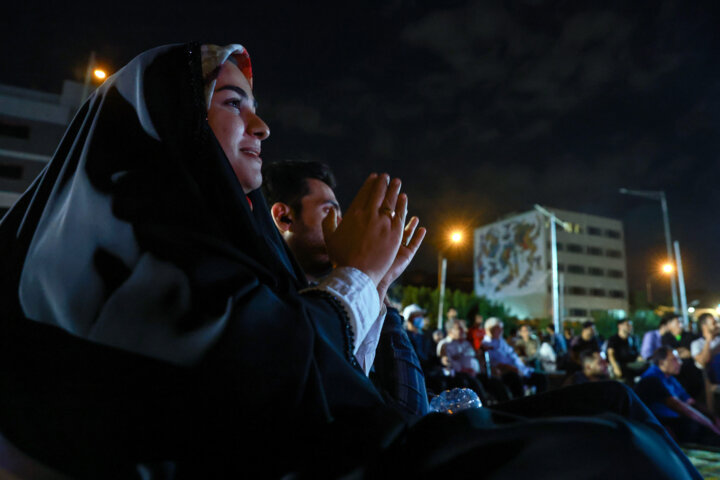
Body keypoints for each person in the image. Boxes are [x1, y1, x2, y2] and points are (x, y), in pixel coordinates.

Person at [0, 43, 702, 480]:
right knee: (615, 449)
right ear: (169, 118)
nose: (262, 126)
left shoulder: (208, 247)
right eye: (234, 102)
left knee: (613, 421)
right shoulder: (121, 264)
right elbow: (265, 384)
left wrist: (373, 286)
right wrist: (359, 278)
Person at [262, 159, 429, 417]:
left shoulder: (322, 296)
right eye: (329, 212)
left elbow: (409, 413)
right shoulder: (266, 296)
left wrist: (380, 283)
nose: (341, 224)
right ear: (285, 217)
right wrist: (362, 272)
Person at [636, 347, 720, 446]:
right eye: (675, 360)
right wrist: (709, 424)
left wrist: (713, 418)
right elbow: (679, 406)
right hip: (657, 424)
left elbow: (690, 402)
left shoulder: (670, 378)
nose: (680, 363)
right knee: (696, 427)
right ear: (662, 363)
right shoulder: (651, 379)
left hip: (673, 419)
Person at [483, 318, 548, 397]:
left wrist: (520, 365)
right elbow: (495, 363)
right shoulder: (487, 344)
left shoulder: (501, 341)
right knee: (515, 378)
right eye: (499, 328)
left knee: (541, 377)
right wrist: (514, 368)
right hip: (506, 373)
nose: (501, 330)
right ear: (490, 329)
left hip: (519, 370)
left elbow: (512, 354)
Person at [691, 313, 720, 385]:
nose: (717, 325)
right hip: (710, 385)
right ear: (704, 326)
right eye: (713, 323)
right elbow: (702, 361)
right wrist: (708, 339)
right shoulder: (696, 344)